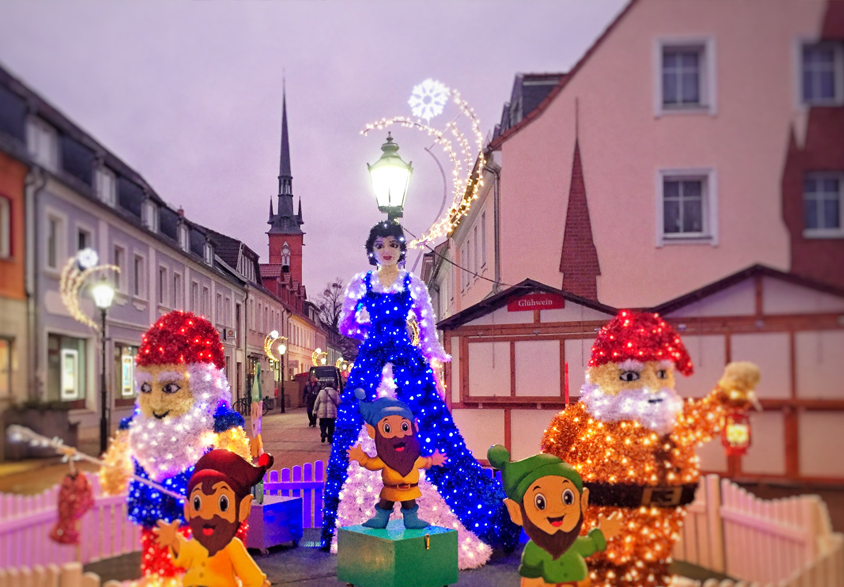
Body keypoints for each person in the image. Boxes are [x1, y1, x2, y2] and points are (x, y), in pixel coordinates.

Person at [320, 220, 519, 552]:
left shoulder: (414, 284)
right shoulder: (360, 282)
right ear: (372, 249)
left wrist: (436, 352)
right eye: (381, 245)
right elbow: (346, 323)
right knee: (357, 425)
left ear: (400, 250)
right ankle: (353, 515)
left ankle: (428, 510)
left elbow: (426, 326)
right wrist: (367, 329)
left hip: (405, 360)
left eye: (393, 245)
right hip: (371, 360)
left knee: (427, 423)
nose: (386, 251)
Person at [542, 310, 760, 587]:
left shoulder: (669, 421)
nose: (650, 388)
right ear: (603, 375)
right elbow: (547, 463)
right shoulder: (580, 421)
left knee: (649, 577)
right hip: (595, 541)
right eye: (632, 375)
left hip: (656, 539)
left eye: (660, 374)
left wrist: (729, 394)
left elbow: (705, 416)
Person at [99, 311, 252, 581]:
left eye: (170, 388)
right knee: (160, 573)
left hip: (208, 525)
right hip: (155, 522)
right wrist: (115, 468)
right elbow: (111, 479)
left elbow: (241, 474)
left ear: (201, 385)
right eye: (147, 388)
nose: (156, 403)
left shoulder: (220, 424)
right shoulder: (137, 428)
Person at [488, 445, 621, 587]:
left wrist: (602, 534)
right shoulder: (534, 551)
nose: (556, 509)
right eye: (540, 503)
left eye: (567, 498)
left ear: (582, 501)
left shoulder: (574, 543)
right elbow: (531, 580)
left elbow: (592, 545)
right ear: (517, 513)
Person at [154, 449, 274, 587]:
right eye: (197, 504)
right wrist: (174, 541)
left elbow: (249, 574)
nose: (208, 514)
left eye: (223, 504)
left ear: (243, 508)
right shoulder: (196, 542)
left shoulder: (231, 546)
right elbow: (186, 556)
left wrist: (259, 583)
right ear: (188, 508)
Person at [347, 388, 446, 528]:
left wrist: (433, 460)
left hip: (409, 490)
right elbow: (371, 463)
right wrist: (362, 458)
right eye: (387, 429)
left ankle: (411, 520)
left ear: (414, 428)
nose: (399, 435)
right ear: (373, 432)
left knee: (410, 504)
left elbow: (424, 462)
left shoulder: (412, 457)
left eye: (404, 427)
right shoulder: (384, 458)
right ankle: (380, 519)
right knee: (385, 504)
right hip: (389, 488)